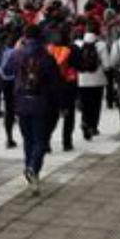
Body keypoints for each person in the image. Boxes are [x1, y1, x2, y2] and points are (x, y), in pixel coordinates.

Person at [4, 25, 60, 195]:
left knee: (28, 139)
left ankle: (30, 170)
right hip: (41, 103)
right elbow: (55, 82)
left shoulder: (17, 54)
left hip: (21, 102)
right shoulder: (46, 56)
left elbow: (6, 70)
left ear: (24, 37)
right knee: (40, 140)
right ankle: (33, 168)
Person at [47, 24, 80, 152]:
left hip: (52, 87)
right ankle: (67, 142)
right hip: (68, 86)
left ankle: (46, 142)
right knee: (68, 115)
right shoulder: (73, 49)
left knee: (51, 115)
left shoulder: (49, 49)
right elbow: (79, 65)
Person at [76, 22, 109, 140]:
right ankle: (93, 127)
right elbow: (107, 64)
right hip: (98, 80)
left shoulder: (78, 44)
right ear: (98, 32)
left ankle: (85, 122)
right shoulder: (101, 45)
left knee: (85, 104)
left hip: (82, 80)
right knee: (96, 104)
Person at [0, 30, 20, 149]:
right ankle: (12, 138)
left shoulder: (2, 52)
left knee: (9, 109)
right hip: (15, 82)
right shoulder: (17, 52)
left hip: (5, 82)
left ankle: (9, 138)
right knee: (15, 110)